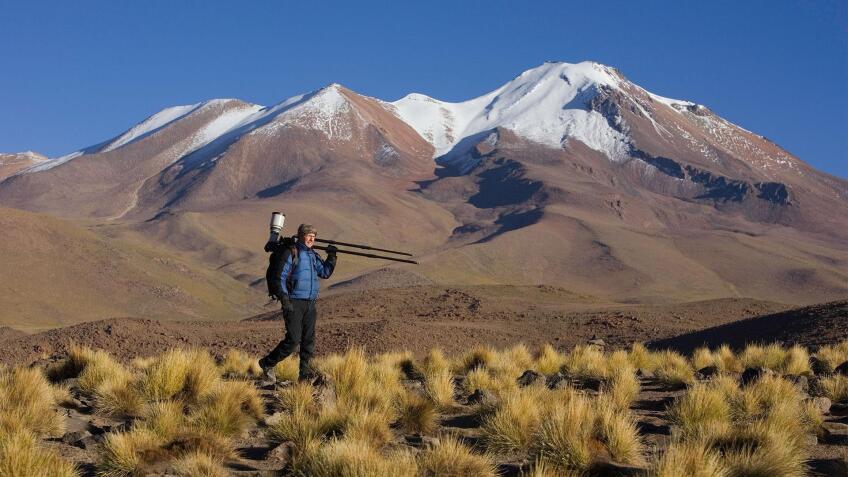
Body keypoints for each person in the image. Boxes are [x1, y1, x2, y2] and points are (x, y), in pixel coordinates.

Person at [259, 223, 337, 382]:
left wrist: (332, 256)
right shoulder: (291, 252)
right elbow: (279, 277)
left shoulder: (313, 255)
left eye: (313, 237)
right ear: (301, 235)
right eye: (309, 236)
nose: (311, 239)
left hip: (310, 303)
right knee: (293, 340)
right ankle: (267, 363)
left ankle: (305, 376)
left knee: (308, 341)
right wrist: (284, 298)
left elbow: (325, 272)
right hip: (293, 301)